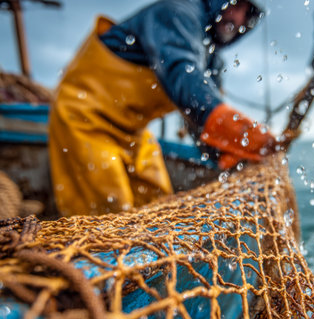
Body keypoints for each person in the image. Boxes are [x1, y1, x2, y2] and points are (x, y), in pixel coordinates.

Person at [49, 0, 276, 216]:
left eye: (246, 13)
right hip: (84, 120)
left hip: (133, 134)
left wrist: (226, 153)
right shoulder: (176, 14)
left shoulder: (211, 60)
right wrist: (234, 127)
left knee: (157, 201)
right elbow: (184, 76)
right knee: (107, 213)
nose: (237, 18)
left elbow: (199, 119)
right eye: (235, 5)